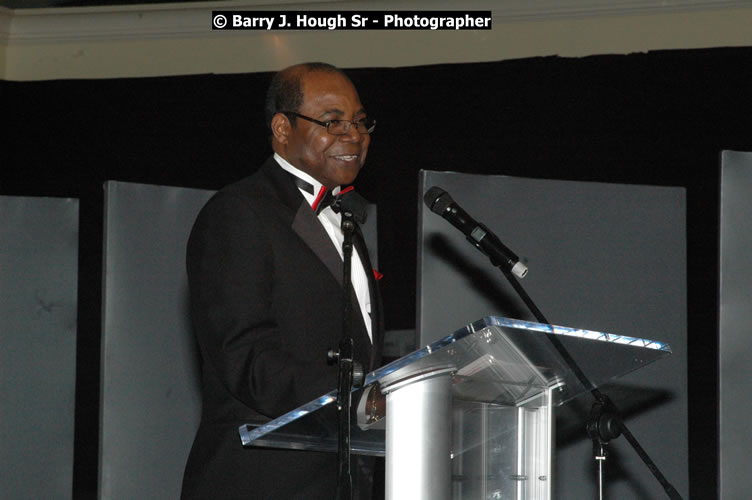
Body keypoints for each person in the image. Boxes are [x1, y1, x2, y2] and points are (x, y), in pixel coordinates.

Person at [180, 62, 383, 499]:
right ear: (282, 128)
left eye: (360, 121)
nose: (354, 135)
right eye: (333, 122)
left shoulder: (348, 220)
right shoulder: (238, 213)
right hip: (262, 482)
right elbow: (245, 357)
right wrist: (360, 398)